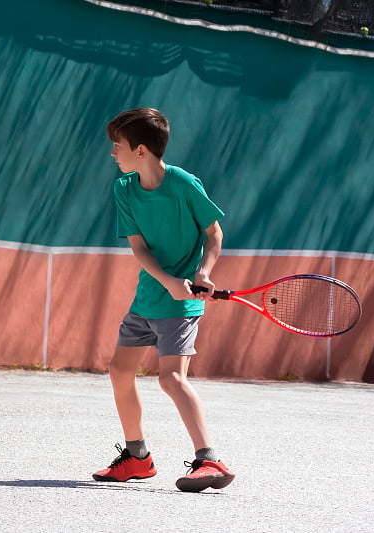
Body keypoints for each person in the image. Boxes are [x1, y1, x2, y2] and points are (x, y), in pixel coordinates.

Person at [92, 107, 235, 492]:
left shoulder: (184, 184)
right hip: (149, 297)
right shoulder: (124, 189)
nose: (112, 153)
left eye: (117, 146)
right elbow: (139, 248)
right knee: (120, 371)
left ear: (140, 150)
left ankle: (209, 459)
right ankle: (137, 457)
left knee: (171, 378)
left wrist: (203, 273)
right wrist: (169, 281)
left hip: (181, 306)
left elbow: (215, 233)